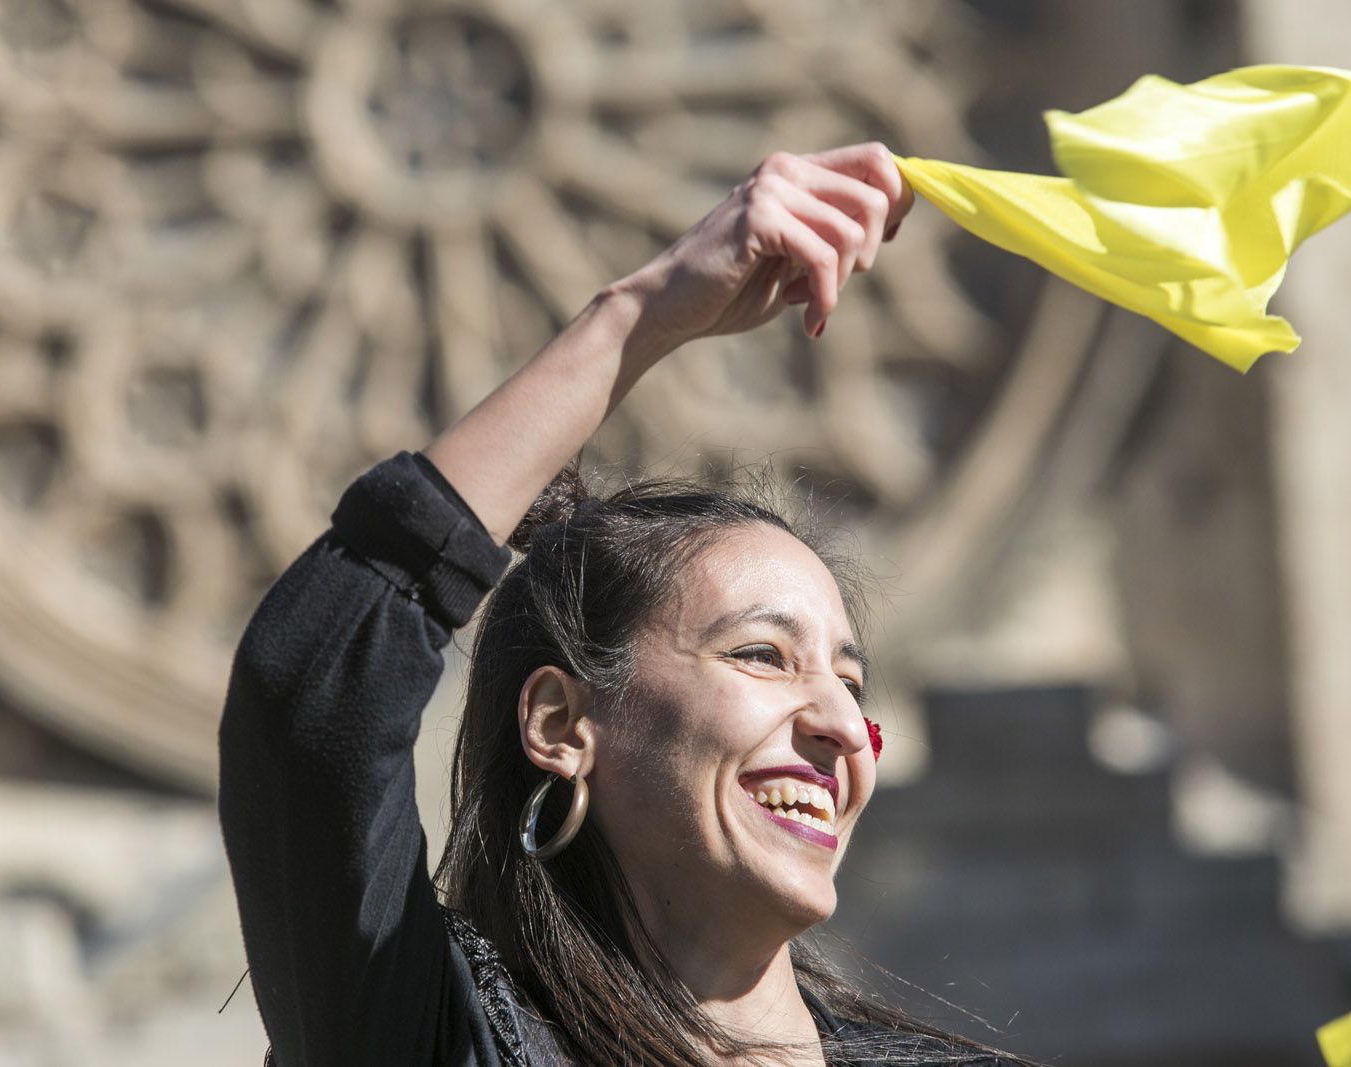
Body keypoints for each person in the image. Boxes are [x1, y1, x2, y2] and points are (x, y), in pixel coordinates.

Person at [219, 143, 1034, 1066]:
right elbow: (314, 687)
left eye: (852, 682)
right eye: (762, 655)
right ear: (562, 722)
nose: (844, 727)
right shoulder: (443, 1041)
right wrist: (635, 318)